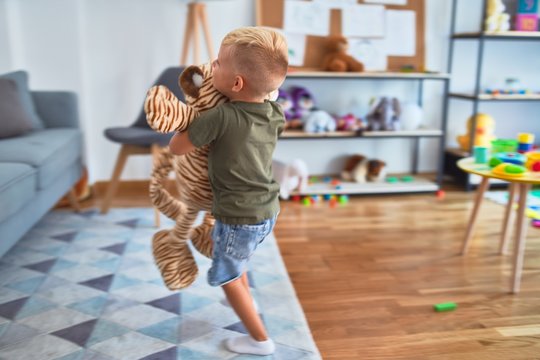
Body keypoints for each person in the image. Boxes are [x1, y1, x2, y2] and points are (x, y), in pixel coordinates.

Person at [168, 26, 288, 356]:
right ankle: (240, 293)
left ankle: (260, 341)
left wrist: (194, 114)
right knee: (238, 263)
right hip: (267, 210)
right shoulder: (275, 113)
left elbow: (177, 148)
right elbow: (270, 94)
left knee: (225, 276)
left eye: (217, 63)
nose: (211, 67)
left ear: (236, 84)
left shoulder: (220, 116)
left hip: (237, 216)